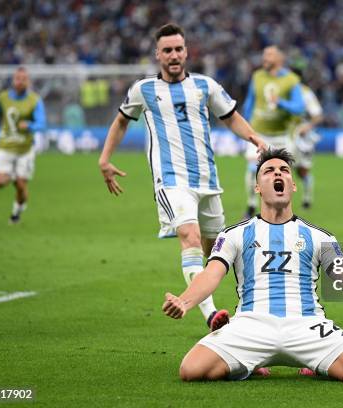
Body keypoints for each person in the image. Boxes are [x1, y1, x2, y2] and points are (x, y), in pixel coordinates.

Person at [162, 148, 343, 382]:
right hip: (251, 325)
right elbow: (211, 275)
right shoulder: (234, 234)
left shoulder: (319, 237)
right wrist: (184, 302)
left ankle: (310, 363)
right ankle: (251, 363)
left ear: (292, 186)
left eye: (284, 170)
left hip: (307, 325)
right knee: (191, 370)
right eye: (268, 171)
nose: (277, 173)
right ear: (257, 187)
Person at [98, 23, 266, 332]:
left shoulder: (205, 86)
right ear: (157, 54)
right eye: (167, 50)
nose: (173, 55)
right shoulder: (143, 90)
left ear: (186, 52)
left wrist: (254, 138)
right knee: (188, 235)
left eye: (178, 49)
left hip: (207, 181)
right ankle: (210, 314)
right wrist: (105, 159)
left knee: (217, 251)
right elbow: (121, 122)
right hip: (172, 181)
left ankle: (249, 312)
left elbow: (230, 118)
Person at [242, 46, 305, 218]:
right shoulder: (257, 76)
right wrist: (244, 127)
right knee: (251, 170)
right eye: (264, 54)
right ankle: (250, 205)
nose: (264, 57)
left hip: (281, 136)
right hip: (258, 134)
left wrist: (281, 103)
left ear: (280, 59)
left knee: (283, 172)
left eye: (269, 55)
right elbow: (250, 102)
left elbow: (299, 107)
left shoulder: (291, 80)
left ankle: (283, 208)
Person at [0, 67, 47, 224]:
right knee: (0, 182)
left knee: (21, 187)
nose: (20, 82)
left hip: (25, 150)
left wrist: (29, 125)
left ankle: (16, 213)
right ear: (13, 80)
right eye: (17, 78)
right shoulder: (4, 98)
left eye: (23, 79)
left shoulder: (34, 100)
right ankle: (14, 175)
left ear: (28, 81)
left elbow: (41, 123)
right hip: (6, 146)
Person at [290, 68, 323, 209]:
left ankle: (307, 199)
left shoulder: (306, 93)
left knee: (302, 171)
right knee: (281, 168)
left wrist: (307, 127)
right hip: (285, 135)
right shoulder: (281, 91)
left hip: (302, 137)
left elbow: (318, 116)